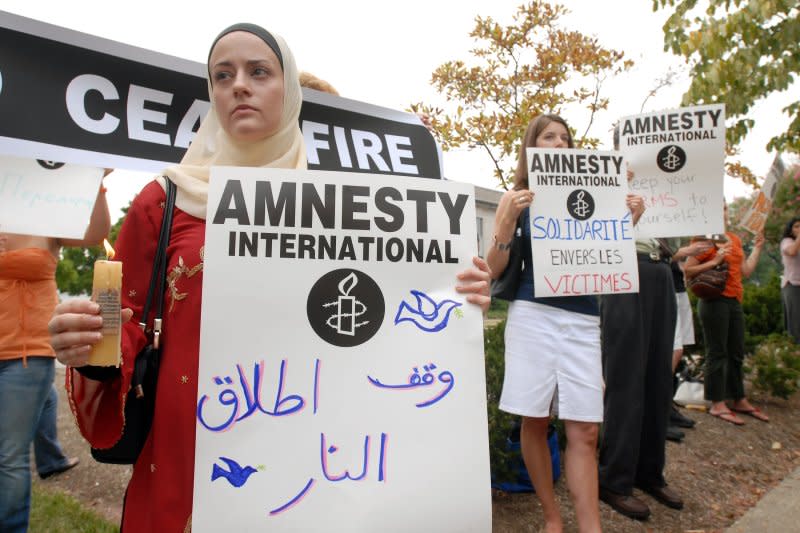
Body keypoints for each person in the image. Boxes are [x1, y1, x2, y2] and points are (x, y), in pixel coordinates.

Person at [48, 24, 491, 531]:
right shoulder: (164, 201)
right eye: (222, 75)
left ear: (291, 91)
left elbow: (392, 311)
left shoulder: (356, 208)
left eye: (259, 71)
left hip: (318, 455)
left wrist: (460, 293)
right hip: (191, 456)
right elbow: (123, 322)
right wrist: (89, 341)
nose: (239, 85)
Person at [487, 114, 642, 533]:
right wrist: (504, 223)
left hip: (583, 319)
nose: (559, 143)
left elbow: (608, 257)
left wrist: (629, 219)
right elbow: (494, 268)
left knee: (586, 428)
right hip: (532, 313)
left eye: (566, 138)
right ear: (532, 147)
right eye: (548, 136)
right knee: (535, 420)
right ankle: (553, 516)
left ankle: (591, 527)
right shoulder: (518, 197)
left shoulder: (599, 195)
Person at [0, 184, 108, 532]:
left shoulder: (43, 212)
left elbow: (96, 233)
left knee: (8, 456)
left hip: (25, 354)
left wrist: (97, 181)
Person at [598, 126, 683, 521]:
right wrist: (617, 190)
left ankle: (650, 471)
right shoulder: (598, 179)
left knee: (657, 379)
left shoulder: (663, 180)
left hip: (659, 271)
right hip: (622, 271)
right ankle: (615, 478)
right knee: (627, 376)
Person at [685, 205, 766, 425]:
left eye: (724, 209)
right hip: (713, 300)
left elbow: (746, 271)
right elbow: (687, 270)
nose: (722, 213)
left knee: (736, 352)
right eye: (718, 209)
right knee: (717, 352)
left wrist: (757, 248)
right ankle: (717, 402)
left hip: (734, 300)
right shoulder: (702, 240)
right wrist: (714, 261)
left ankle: (738, 398)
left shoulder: (734, 239)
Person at [780, 217, 800, 342]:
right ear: (790, 230)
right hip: (793, 285)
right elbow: (792, 251)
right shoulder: (786, 242)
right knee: (796, 322)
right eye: (797, 226)